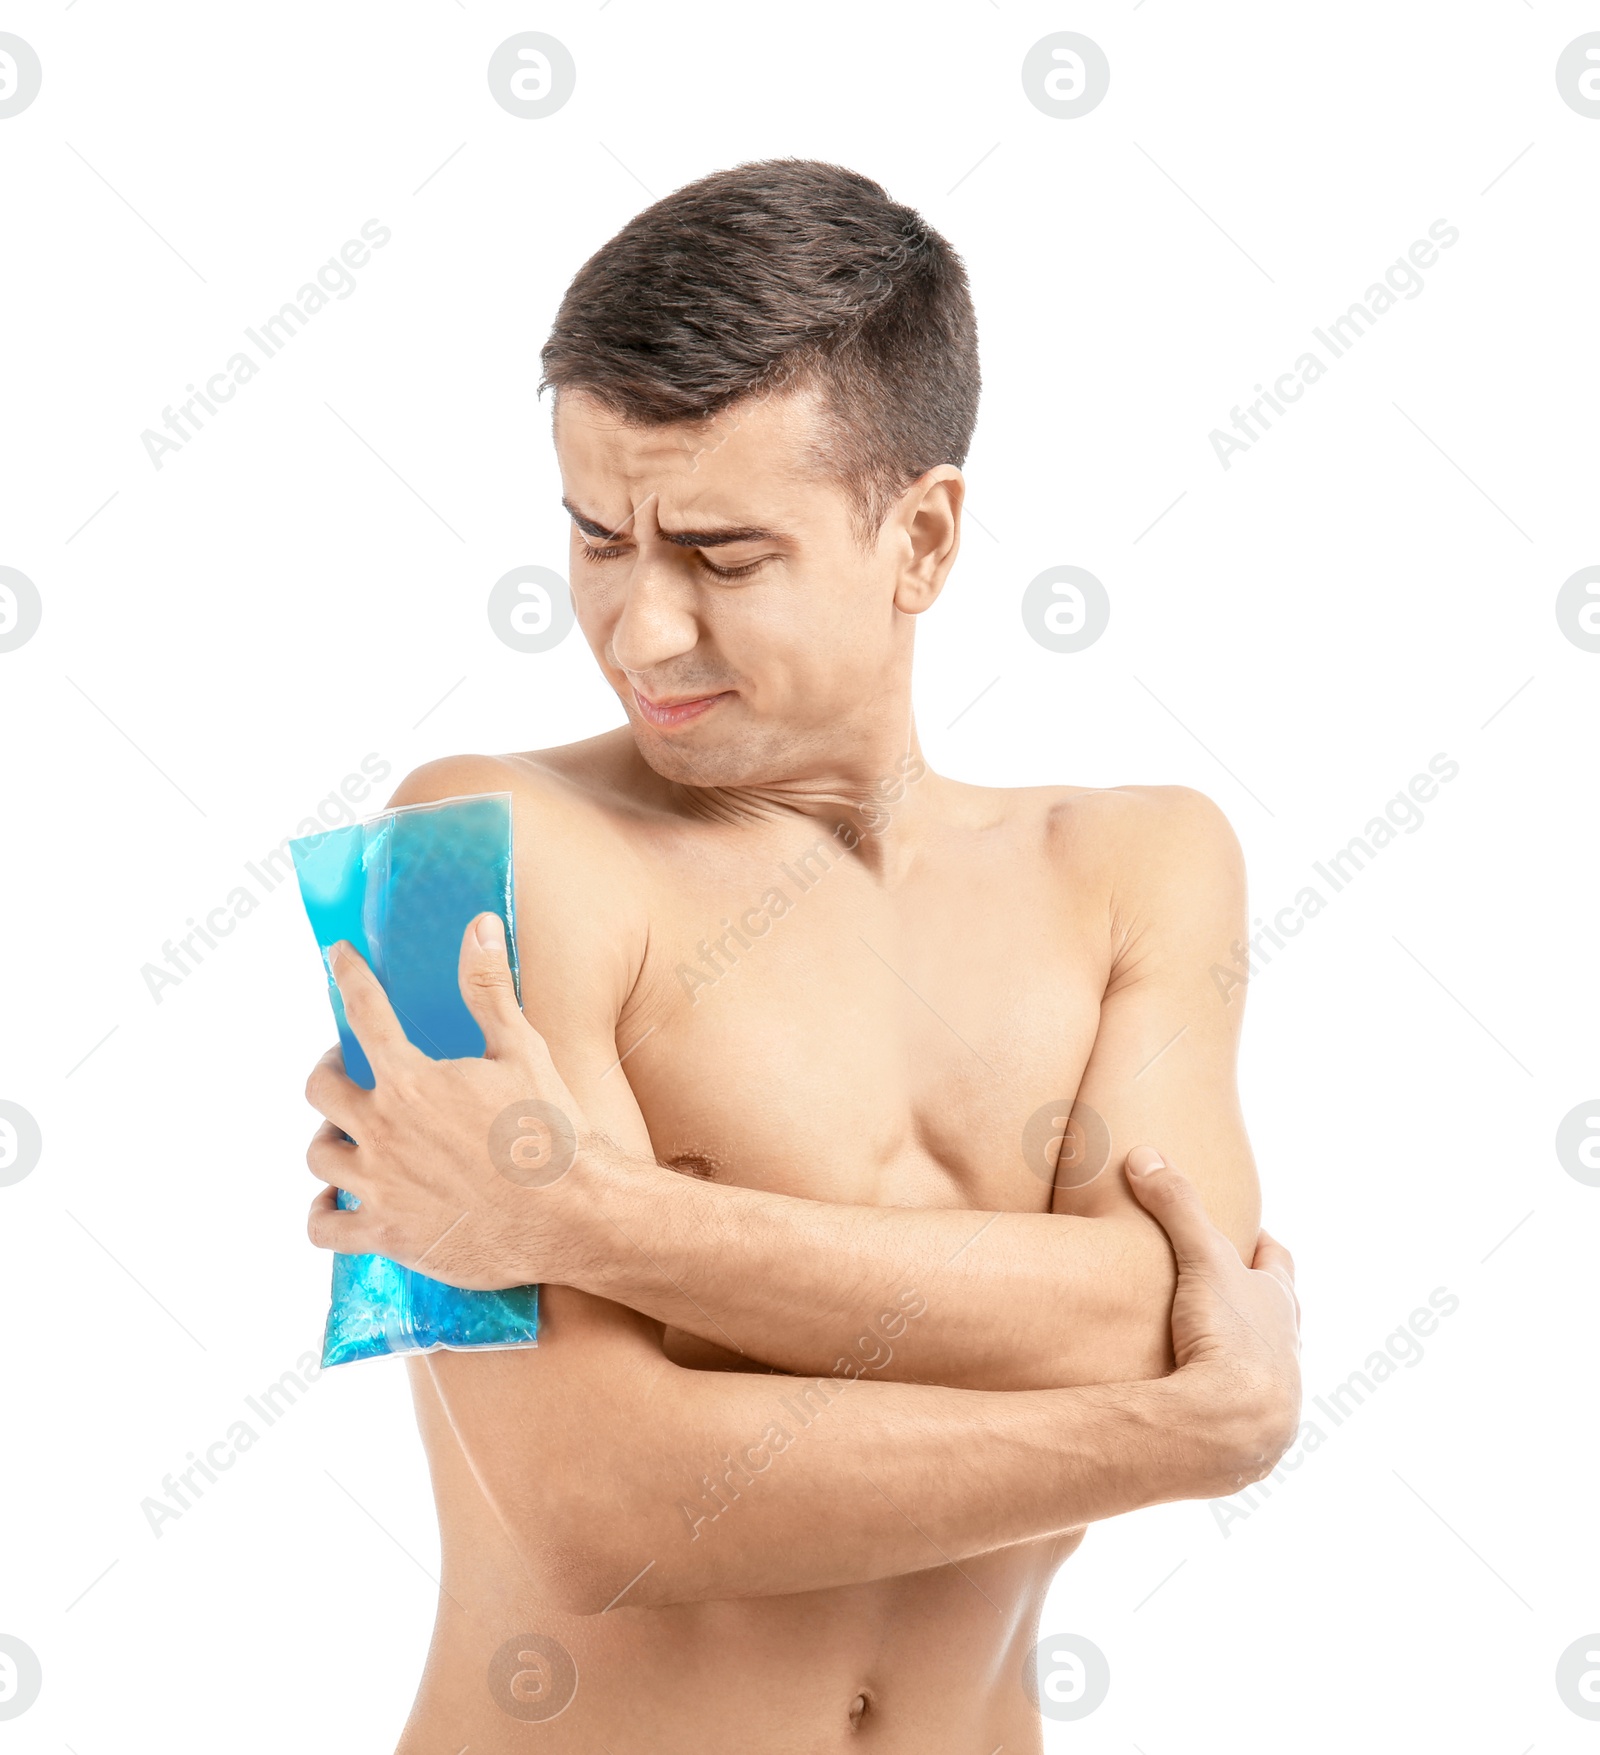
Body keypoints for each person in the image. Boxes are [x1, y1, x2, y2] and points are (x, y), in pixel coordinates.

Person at [303, 157, 1301, 1753]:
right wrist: (1182, 1436)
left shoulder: (1145, 867)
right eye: (594, 537)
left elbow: (1161, 1303)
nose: (638, 627)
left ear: (921, 538)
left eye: (719, 554)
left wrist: (595, 1216)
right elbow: (600, 1504)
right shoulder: (446, 859)